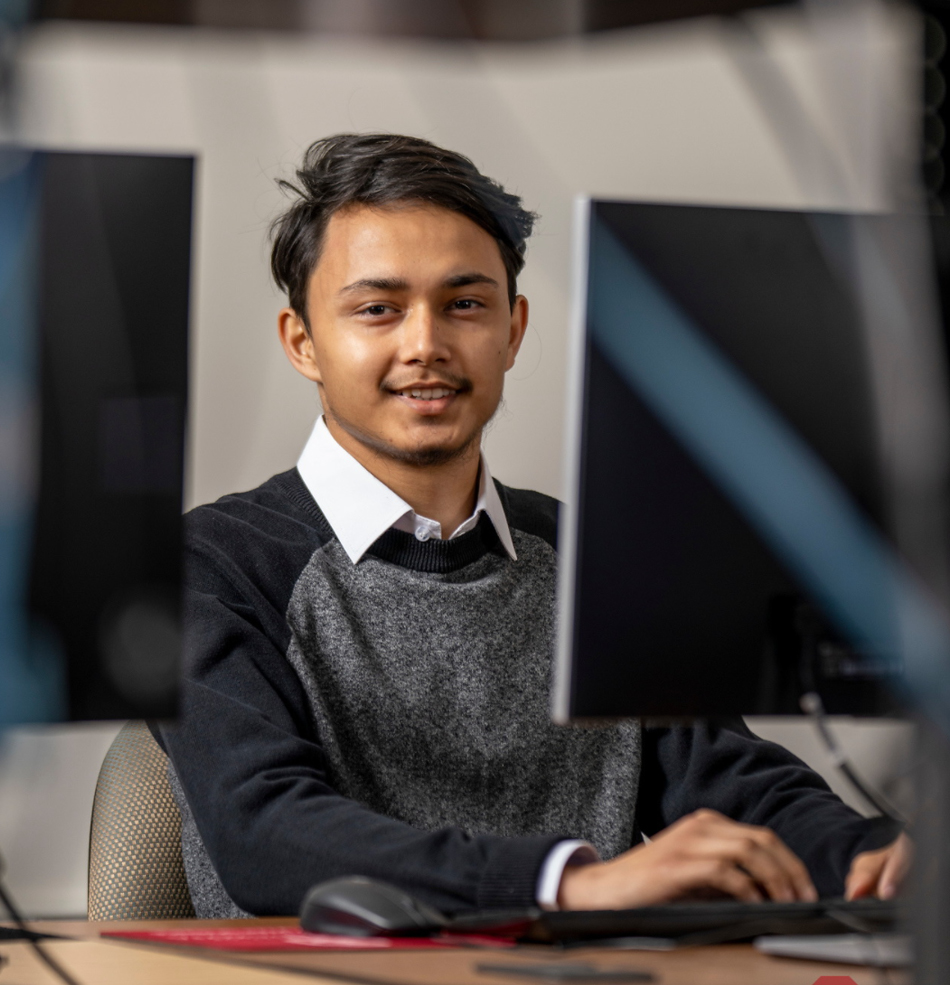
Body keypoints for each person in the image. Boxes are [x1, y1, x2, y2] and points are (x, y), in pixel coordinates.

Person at [154, 133, 909, 919]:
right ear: (303, 342)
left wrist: (875, 857)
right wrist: (564, 882)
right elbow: (266, 831)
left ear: (512, 330)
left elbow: (728, 778)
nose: (426, 345)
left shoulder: (592, 555)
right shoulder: (206, 565)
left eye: (465, 304)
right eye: (378, 309)